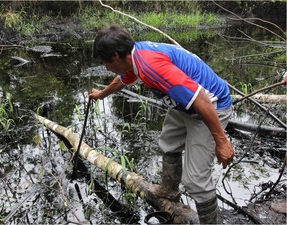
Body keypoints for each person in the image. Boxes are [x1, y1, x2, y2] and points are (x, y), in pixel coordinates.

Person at [89, 25, 234, 224]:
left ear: (115, 56)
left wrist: (222, 140)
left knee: (196, 180)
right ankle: (169, 190)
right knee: (169, 142)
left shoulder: (151, 67)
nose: (105, 67)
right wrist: (101, 95)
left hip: (210, 107)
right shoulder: (134, 58)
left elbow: (201, 98)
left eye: (104, 63)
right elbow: (123, 80)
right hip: (185, 105)